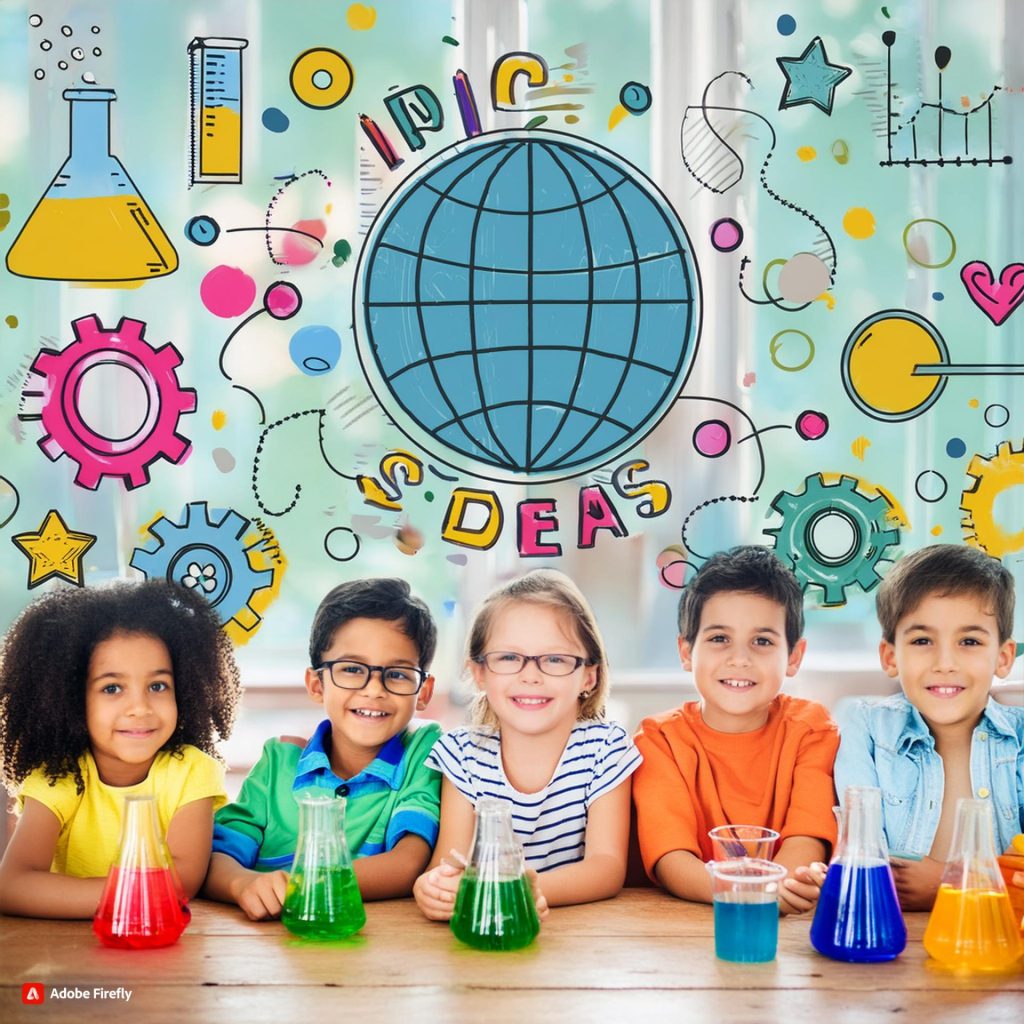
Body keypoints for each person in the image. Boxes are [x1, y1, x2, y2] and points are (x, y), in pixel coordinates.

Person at [204, 577, 442, 920]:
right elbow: (214, 859)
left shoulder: (423, 751)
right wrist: (242, 884)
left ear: (424, 692)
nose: (374, 690)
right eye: (351, 669)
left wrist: (305, 885)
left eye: (397, 674)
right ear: (316, 684)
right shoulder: (279, 763)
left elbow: (407, 863)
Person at [0, 580, 239, 918]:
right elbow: (11, 886)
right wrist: (134, 895)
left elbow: (180, 883)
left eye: (158, 685)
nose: (139, 707)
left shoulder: (191, 771)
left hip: (161, 954)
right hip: (66, 956)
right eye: (112, 688)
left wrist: (64, 894)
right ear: (69, 697)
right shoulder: (60, 776)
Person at [414, 569, 641, 920]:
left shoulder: (606, 749)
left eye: (554, 659)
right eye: (508, 657)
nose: (530, 675)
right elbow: (447, 862)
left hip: (582, 940)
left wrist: (517, 891)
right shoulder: (462, 754)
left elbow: (606, 868)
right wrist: (434, 887)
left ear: (588, 676)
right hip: (486, 932)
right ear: (479, 673)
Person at [632, 545, 838, 914]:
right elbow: (673, 861)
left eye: (762, 641)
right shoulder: (659, 741)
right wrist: (753, 891)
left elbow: (806, 841)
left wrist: (779, 886)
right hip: (685, 930)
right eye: (718, 638)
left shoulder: (811, 730)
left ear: (794, 657)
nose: (739, 659)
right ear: (685, 651)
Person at [835, 544, 1023, 910]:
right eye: (922, 641)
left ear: (1003, 658)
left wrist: (948, 882)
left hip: (997, 944)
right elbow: (862, 852)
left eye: (969, 641)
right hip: (891, 936)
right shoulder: (866, 727)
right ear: (890, 657)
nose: (945, 662)